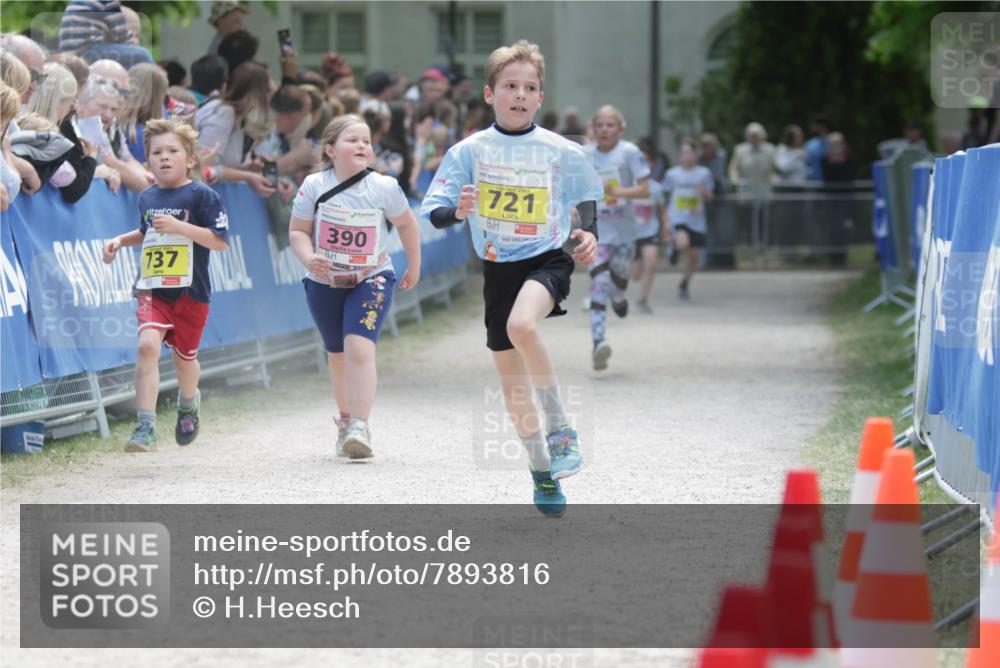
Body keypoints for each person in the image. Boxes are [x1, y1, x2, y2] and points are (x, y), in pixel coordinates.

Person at [422, 40, 603, 516]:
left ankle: (562, 429)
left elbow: (585, 203)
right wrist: (454, 211)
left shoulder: (561, 150)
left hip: (547, 257)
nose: (520, 95)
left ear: (540, 97)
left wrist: (588, 237)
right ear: (490, 94)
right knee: (512, 387)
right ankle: (543, 472)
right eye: (510, 86)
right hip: (499, 266)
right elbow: (436, 208)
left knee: (522, 326)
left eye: (530, 87)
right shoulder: (470, 151)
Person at [288, 114, 421, 459]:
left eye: (366, 140)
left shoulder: (384, 187)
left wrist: (414, 266)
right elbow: (298, 231)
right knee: (337, 354)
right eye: (353, 140)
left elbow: (407, 225)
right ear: (330, 149)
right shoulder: (314, 186)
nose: (362, 145)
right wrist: (308, 258)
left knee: (359, 346)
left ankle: (361, 425)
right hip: (324, 280)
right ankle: (345, 421)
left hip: (372, 276)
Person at [101, 119, 230, 452]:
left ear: (190, 159)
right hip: (153, 289)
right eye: (157, 152)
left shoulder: (202, 194)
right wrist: (119, 240)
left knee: (184, 360)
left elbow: (219, 241)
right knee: (147, 346)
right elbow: (147, 233)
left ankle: (188, 403)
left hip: (192, 293)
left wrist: (180, 227)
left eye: (173, 151)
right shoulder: (146, 196)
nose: (164, 157)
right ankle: (145, 426)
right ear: (147, 161)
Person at [584, 105, 649, 370]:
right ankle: (599, 343)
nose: (604, 130)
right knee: (598, 283)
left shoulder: (630, 153)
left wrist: (617, 192)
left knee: (617, 284)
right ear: (593, 128)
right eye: (599, 124)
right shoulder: (585, 155)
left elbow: (645, 190)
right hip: (596, 232)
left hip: (624, 232)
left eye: (610, 125)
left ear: (620, 128)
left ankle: (619, 298)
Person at [194, 61, 275, 197]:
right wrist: (248, 176)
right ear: (258, 94)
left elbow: (220, 166)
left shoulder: (233, 116)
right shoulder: (224, 113)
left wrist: (248, 169)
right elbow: (205, 166)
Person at [663, 139, 714, 300]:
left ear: (696, 155)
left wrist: (704, 191)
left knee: (694, 258)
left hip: (696, 219)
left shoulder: (704, 173)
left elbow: (710, 197)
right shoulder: (672, 174)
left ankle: (685, 283)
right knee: (682, 241)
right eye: (684, 152)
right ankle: (675, 251)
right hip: (678, 216)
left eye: (690, 152)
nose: (687, 156)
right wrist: (665, 220)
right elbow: (664, 194)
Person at [58, 0, 153, 67]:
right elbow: (121, 32)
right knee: (143, 54)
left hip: (71, 52)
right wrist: (134, 45)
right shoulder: (108, 2)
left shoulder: (77, 2)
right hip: (88, 51)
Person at [631, 145, 668, 314]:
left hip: (650, 232)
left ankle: (643, 299)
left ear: (651, 165)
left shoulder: (656, 188)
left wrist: (666, 226)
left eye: (646, 160)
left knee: (651, 263)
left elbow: (662, 210)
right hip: (630, 235)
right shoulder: (626, 186)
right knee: (635, 274)